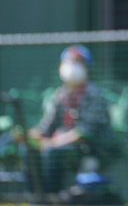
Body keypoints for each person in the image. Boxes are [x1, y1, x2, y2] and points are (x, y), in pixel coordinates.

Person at [19, 45, 119, 195]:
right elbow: (45, 128)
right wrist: (27, 136)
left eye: (78, 62)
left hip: (90, 148)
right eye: (69, 61)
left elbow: (84, 133)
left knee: (51, 151)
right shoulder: (59, 95)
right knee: (27, 149)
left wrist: (53, 143)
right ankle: (36, 196)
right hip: (61, 145)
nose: (72, 66)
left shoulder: (95, 94)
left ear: (87, 67)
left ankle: (52, 197)